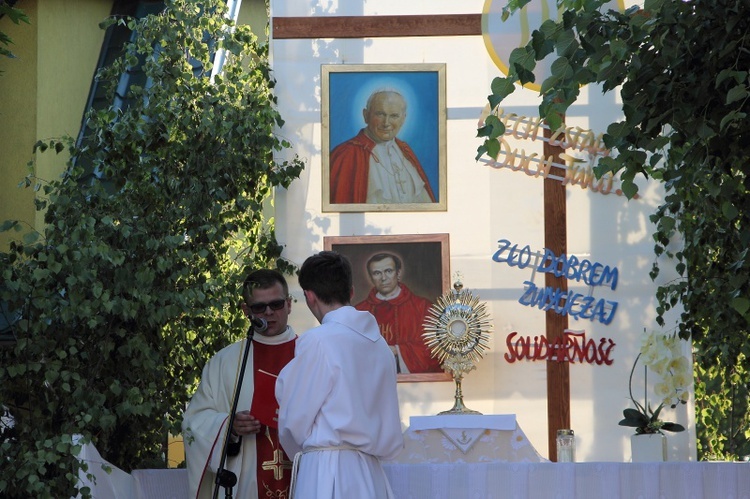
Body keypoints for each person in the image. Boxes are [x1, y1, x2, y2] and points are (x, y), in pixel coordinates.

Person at [275, 251, 404, 499]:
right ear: (351, 291)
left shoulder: (318, 341)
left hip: (327, 470)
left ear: (309, 296)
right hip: (371, 472)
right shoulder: (381, 347)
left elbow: (293, 422)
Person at [182, 269, 297, 499]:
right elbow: (193, 423)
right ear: (246, 310)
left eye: (276, 304)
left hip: (302, 475)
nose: (268, 313)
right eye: (259, 307)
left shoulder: (311, 354)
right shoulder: (225, 362)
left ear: (289, 304)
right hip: (246, 482)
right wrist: (228, 426)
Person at [329, 89, 437, 204]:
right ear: (366, 115)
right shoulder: (346, 154)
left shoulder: (405, 151)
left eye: (394, 116)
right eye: (380, 114)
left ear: (403, 119)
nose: (386, 123)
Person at [355, 252, 442, 373]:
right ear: (371, 277)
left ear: (398, 273)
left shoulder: (423, 307)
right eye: (377, 273)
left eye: (388, 271)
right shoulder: (358, 311)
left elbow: (435, 349)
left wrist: (397, 351)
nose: (383, 278)